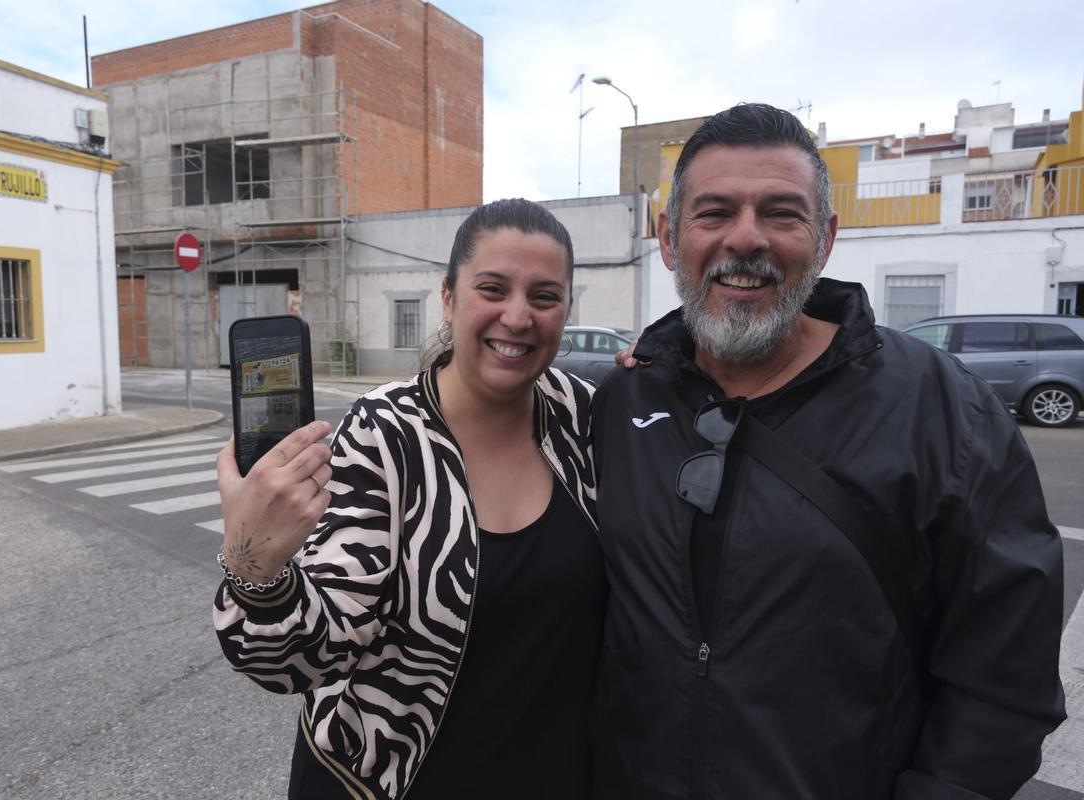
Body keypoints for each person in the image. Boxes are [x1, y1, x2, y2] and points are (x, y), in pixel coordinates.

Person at [592, 103, 1066, 799]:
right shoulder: (621, 400)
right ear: (668, 239)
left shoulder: (942, 410)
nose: (745, 239)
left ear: (825, 239)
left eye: (781, 214)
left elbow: (1004, 678)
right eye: (714, 212)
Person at [213, 198, 606, 799]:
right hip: (389, 783)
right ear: (448, 297)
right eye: (493, 289)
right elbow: (307, 655)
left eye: (545, 297)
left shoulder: (583, 416)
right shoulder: (384, 433)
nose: (519, 316)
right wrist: (255, 567)